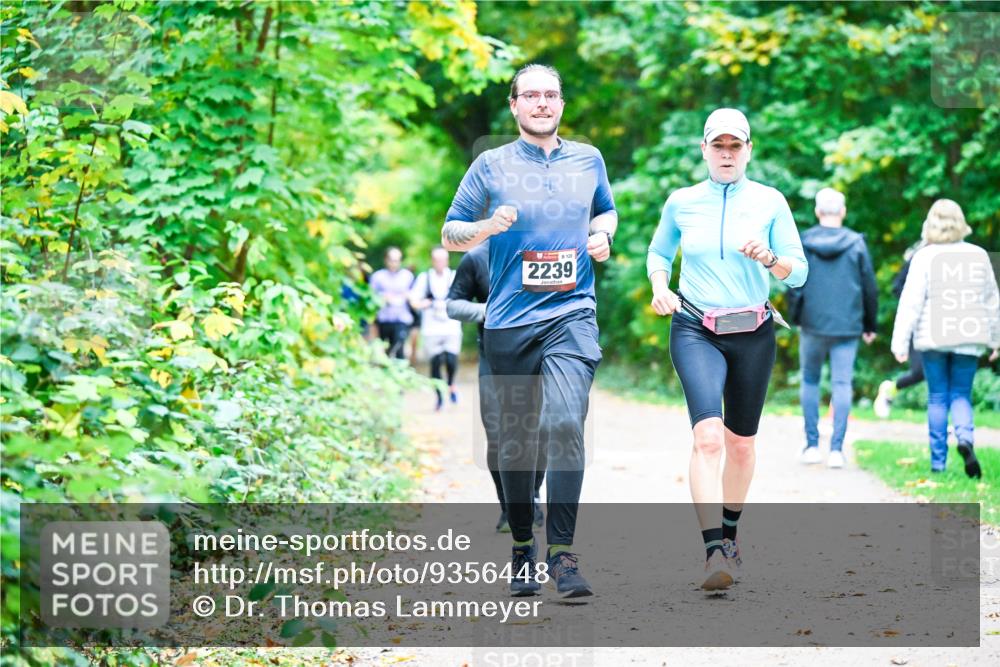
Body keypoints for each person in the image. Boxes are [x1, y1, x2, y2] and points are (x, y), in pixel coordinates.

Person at [441, 63, 617, 598]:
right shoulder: (490, 165)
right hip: (510, 325)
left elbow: (606, 214)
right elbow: (451, 232)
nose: (543, 103)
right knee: (517, 448)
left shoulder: (589, 159)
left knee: (565, 424)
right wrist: (485, 228)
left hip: (571, 315)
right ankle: (523, 546)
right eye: (531, 95)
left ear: (561, 105)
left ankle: (562, 554)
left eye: (552, 95)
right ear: (514, 106)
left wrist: (601, 238)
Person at [646, 108, 808, 591]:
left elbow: (798, 272)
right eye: (718, 145)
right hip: (695, 327)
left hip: (753, 332)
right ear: (704, 150)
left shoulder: (770, 201)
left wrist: (771, 259)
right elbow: (658, 253)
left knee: (740, 445)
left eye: (735, 146)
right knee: (708, 438)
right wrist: (659, 284)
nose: (726, 154)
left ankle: (732, 536)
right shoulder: (681, 202)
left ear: (748, 151)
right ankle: (713, 549)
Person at [890, 199, 999, 478]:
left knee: (937, 396)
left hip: (933, 336)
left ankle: (939, 464)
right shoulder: (978, 254)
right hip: (970, 335)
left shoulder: (924, 256)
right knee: (961, 394)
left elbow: (911, 302)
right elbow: (992, 301)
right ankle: (965, 438)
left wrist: (900, 342)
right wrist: (996, 339)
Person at [446, 241, 545, 532]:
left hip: (535, 354)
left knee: (537, 432)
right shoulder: (476, 258)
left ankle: (532, 497)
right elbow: (453, 303)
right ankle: (508, 508)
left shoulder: (539, 251)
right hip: (493, 358)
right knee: (498, 436)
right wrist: (485, 310)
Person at [794, 187, 878, 468]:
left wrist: (796, 317)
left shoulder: (804, 241)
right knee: (842, 383)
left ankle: (811, 446)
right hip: (848, 325)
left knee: (810, 380)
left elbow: (795, 284)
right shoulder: (856, 243)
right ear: (842, 211)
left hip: (812, 323)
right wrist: (869, 324)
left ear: (818, 212)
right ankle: (837, 451)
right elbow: (869, 287)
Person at [873, 234, 928, 418]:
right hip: (919, 324)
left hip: (945, 325)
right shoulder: (918, 256)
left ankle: (955, 426)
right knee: (920, 372)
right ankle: (891, 390)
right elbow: (897, 286)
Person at [410, 247, 463, 410]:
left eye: (443, 260)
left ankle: (451, 384)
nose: (440, 263)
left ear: (447, 260)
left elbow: (463, 298)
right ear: (432, 261)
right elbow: (413, 301)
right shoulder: (424, 278)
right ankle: (439, 396)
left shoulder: (454, 277)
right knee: (435, 362)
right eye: (437, 260)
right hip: (431, 328)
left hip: (451, 326)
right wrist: (423, 304)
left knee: (451, 359)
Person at [369, 247, 414, 360]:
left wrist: (407, 296)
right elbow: (371, 297)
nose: (394, 263)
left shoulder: (407, 276)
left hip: (401, 319)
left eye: (397, 260)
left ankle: (401, 374)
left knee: (399, 349)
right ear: (386, 260)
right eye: (391, 260)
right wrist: (382, 297)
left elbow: (415, 296)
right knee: (386, 352)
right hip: (384, 320)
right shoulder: (377, 277)